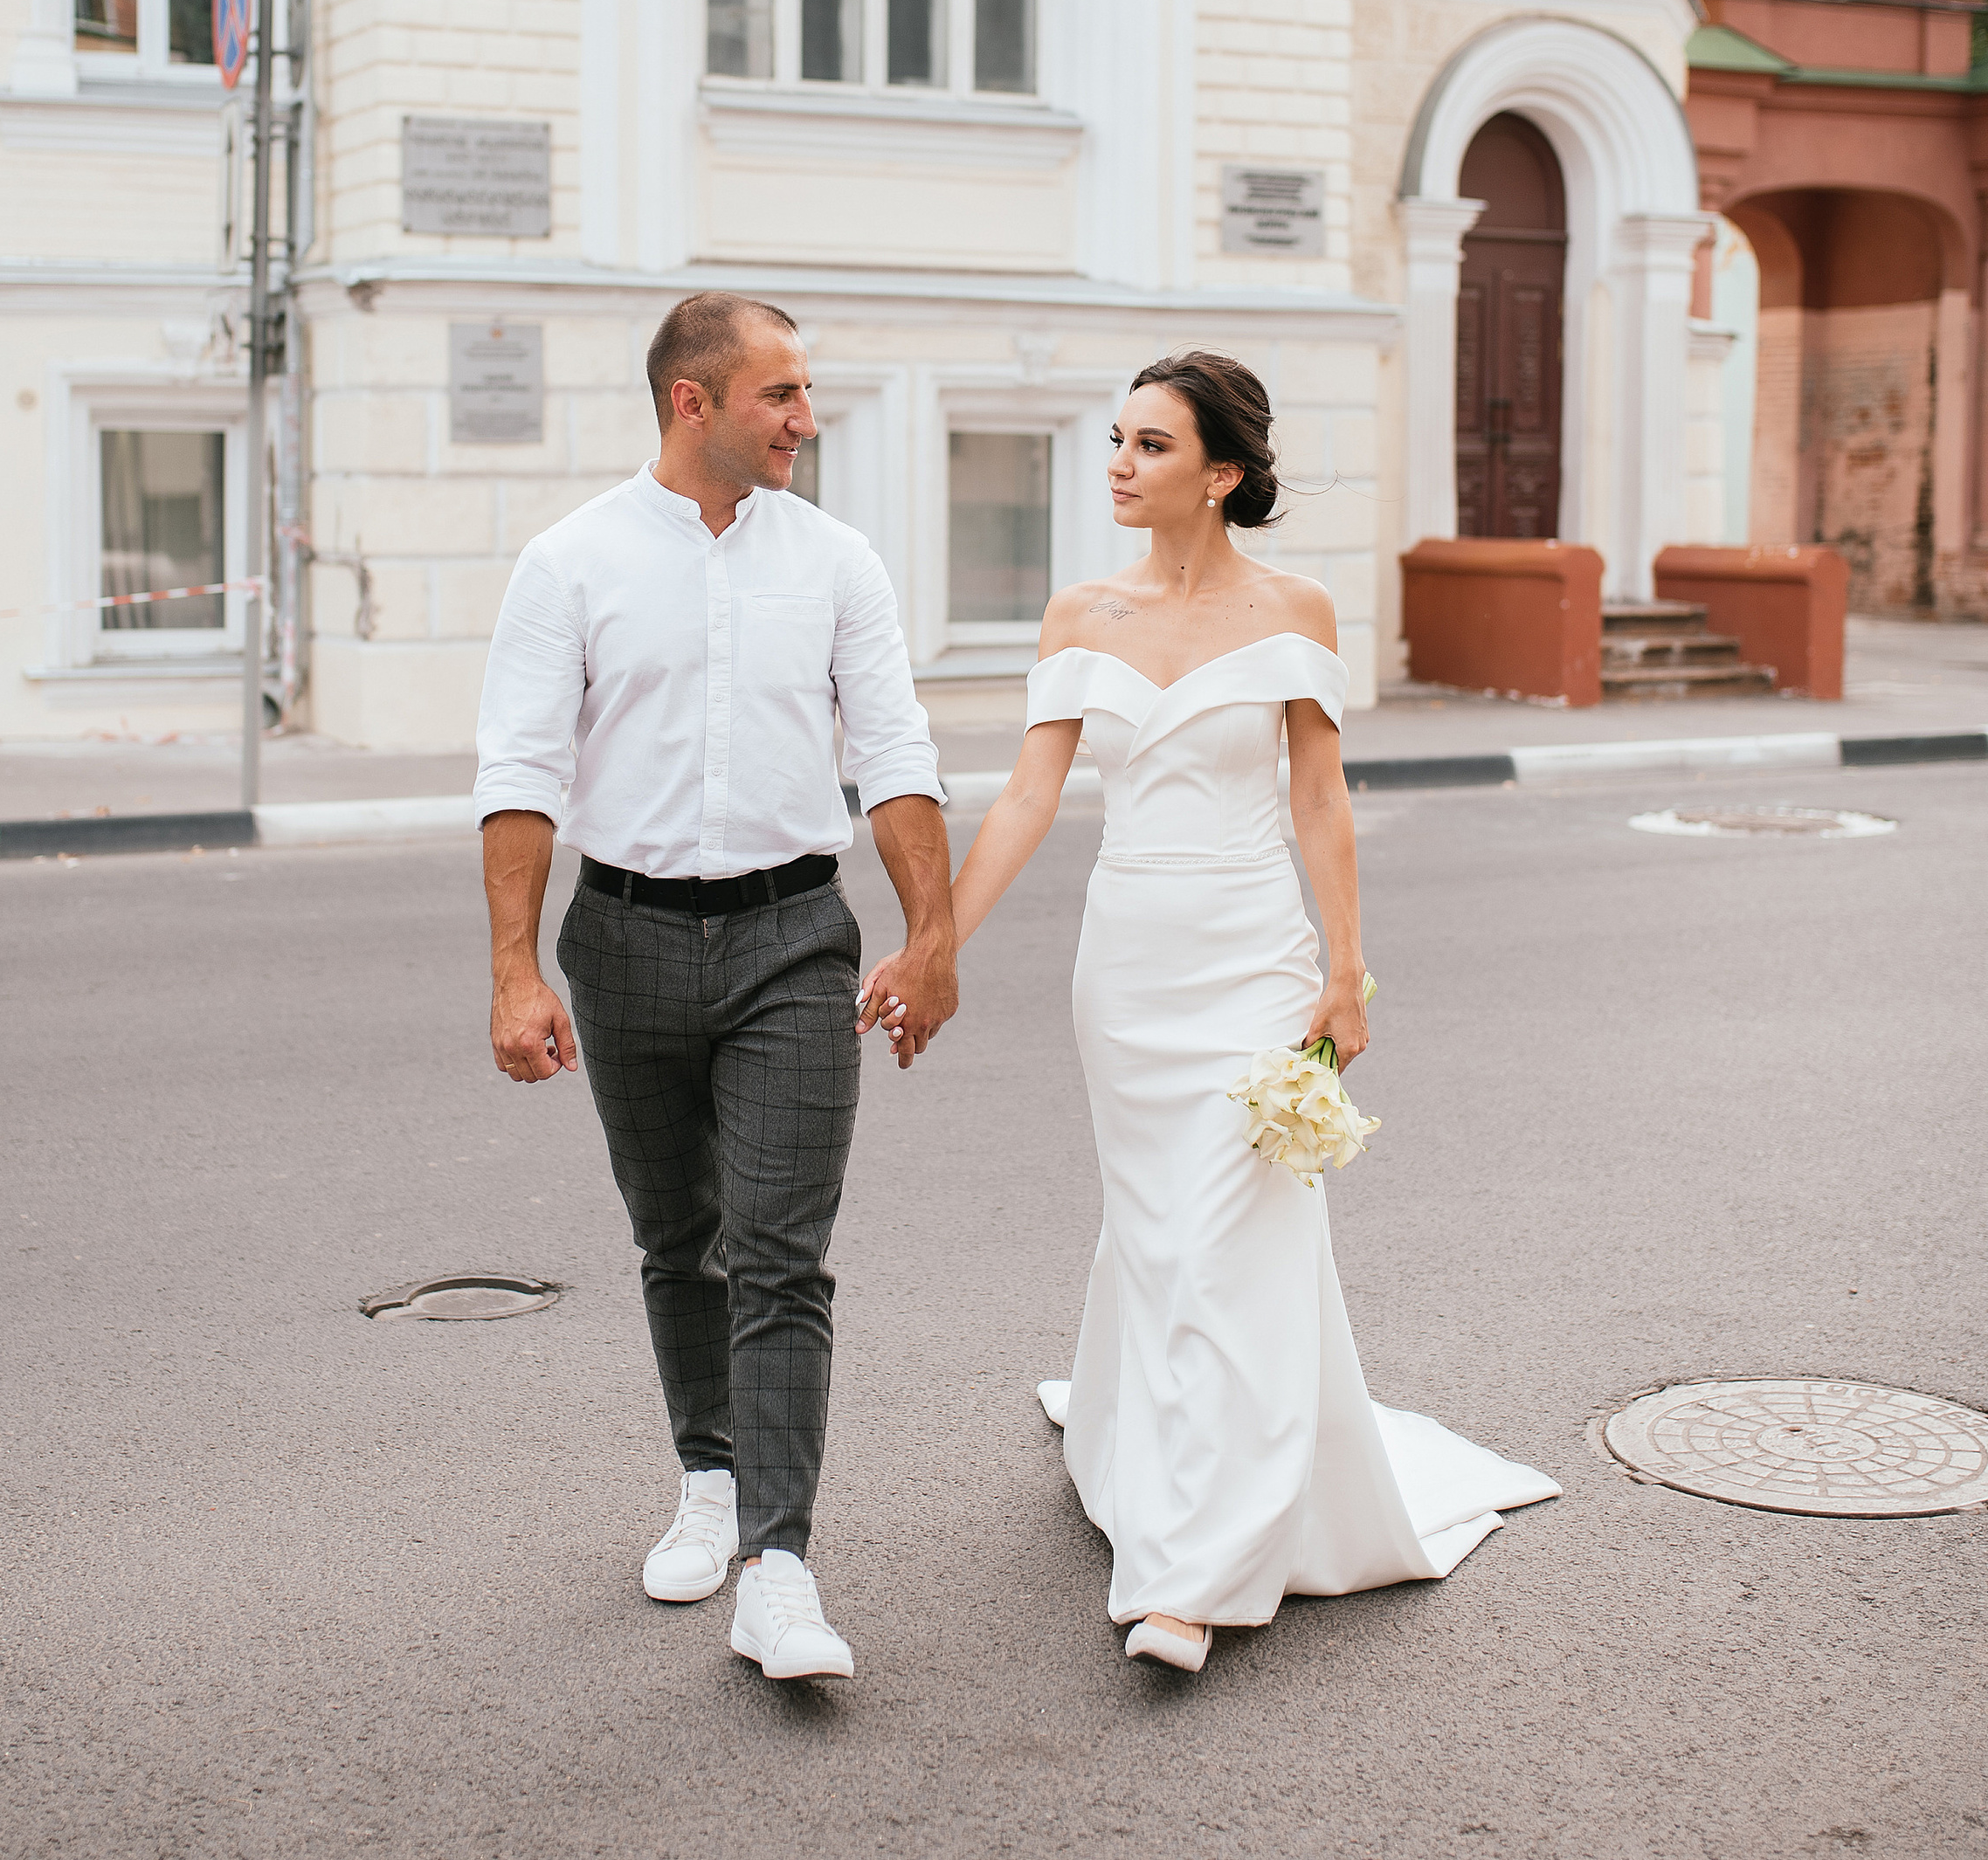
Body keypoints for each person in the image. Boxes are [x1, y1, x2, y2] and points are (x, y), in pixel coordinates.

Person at [949, 350, 1557, 1672]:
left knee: (1234, 1241)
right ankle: (1146, 1448)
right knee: (1161, 1233)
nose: (1117, 462)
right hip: (1128, 967)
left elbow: (1317, 798)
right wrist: (936, 936)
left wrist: (1344, 969)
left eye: (1151, 446)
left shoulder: (1297, 608)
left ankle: (1196, 1578)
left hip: (1252, 954)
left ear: (1221, 473)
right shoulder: (1078, 614)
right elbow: (1027, 800)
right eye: (1118, 439)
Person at [474, 291, 957, 1685]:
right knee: (676, 1235)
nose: (808, 420)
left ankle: (783, 1568)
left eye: (806, 395)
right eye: (782, 397)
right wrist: (515, 971)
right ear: (695, 403)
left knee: (781, 1249)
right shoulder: (570, 563)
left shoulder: (838, 562)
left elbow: (898, 753)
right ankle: (710, 1475)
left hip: (793, 940)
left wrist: (931, 936)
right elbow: (521, 773)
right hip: (620, 939)